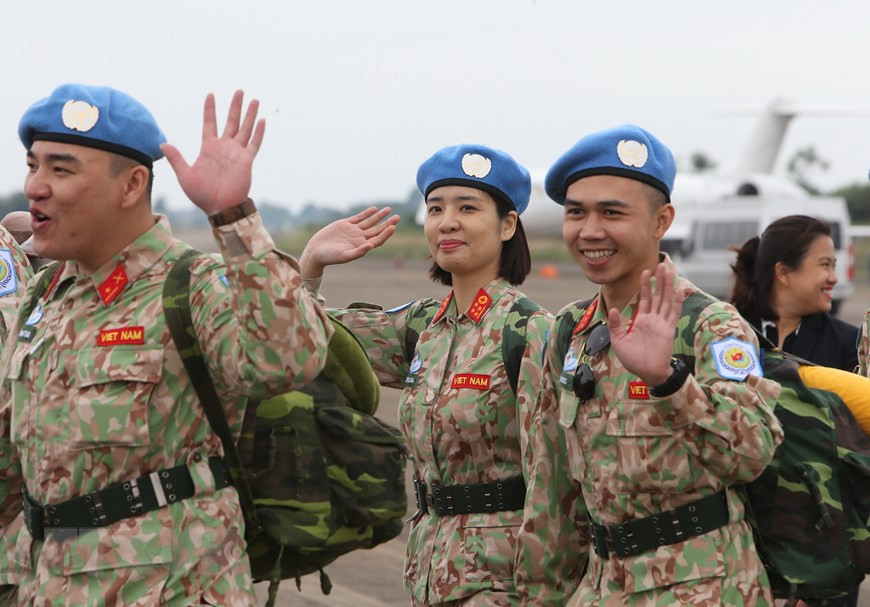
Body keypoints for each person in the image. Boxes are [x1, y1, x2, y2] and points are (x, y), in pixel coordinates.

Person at [0, 83, 332, 605]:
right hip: (47, 585)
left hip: (168, 587)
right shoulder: (46, 292)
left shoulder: (191, 284)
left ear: (131, 185)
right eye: (33, 165)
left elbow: (285, 361)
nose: (35, 187)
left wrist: (233, 216)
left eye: (60, 170)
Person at [515, 125, 785, 606]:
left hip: (702, 586)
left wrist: (670, 381)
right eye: (576, 212)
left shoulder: (711, 326)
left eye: (612, 212)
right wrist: (540, 596)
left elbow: (753, 454)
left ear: (662, 220)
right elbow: (552, 488)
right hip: (600, 587)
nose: (590, 230)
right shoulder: (569, 330)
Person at [298, 144, 553, 605]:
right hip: (428, 571)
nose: (447, 221)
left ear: (508, 225)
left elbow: (555, 482)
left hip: (504, 582)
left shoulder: (530, 333)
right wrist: (311, 265)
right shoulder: (421, 327)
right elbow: (304, 345)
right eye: (436, 208)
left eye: (467, 208)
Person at [731, 215, 859, 372]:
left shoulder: (848, 344)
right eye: (825, 265)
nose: (834, 278)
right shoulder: (729, 331)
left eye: (834, 266)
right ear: (784, 273)